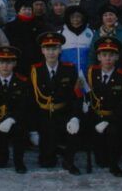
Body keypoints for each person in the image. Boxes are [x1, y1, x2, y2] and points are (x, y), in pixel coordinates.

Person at [29, 31, 82, 174]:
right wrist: (32, 129)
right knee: (47, 162)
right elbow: (31, 100)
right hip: (43, 115)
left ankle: (69, 160)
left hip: (63, 112)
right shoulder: (35, 70)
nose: (51, 52)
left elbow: (76, 96)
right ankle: (53, 150)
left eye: (54, 48)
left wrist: (75, 117)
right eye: (47, 49)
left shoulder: (69, 69)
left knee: (74, 130)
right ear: (42, 50)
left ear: (60, 50)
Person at [85, 37, 122, 177]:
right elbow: (87, 93)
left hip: (114, 118)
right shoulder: (92, 72)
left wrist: (109, 120)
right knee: (100, 161)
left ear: (117, 57)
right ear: (98, 57)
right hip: (96, 115)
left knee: (113, 134)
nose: (108, 58)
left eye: (111, 55)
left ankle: (114, 165)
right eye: (104, 55)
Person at [0, 45, 32, 173]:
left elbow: (24, 107)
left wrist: (11, 119)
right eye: (1, 62)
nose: (5, 66)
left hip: (15, 122)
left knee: (20, 128)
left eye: (9, 62)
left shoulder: (22, 81)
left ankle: (19, 161)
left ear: (14, 63)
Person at [4, 0, 47, 73]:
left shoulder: (39, 25)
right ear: (18, 11)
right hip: (18, 64)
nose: (27, 11)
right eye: (24, 9)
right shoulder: (10, 27)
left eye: (29, 9)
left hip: (37, 62)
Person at [88, 4, 122, 71]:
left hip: (121, 71)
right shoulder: (97, 34)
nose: (108, 17)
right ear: (102, 18)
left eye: (111, 14)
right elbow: (92, 55)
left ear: (116, 17)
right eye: (105, 15)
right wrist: (91, 71)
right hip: (101, 72)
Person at [60, 5, 94, 77]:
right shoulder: (61, 33)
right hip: (67, 74)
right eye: (72, 17)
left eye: (78, 16)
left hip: (87, 74)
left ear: (83, 17)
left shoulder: (92, 32)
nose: (75, 19)